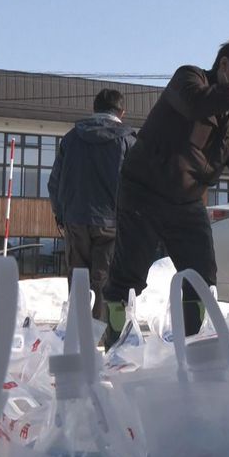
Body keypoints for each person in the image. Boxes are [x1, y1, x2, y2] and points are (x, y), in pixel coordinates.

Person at [101, 35, 229, 348]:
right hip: (145, 191)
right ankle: (116, 341)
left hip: (187, 201)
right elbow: (195, 105)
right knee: (127, 277)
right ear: (224, 65)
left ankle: (192, 343)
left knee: (201, 275)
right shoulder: (189, 79)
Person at [48, 89, 137, 322]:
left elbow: (54, 182)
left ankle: (79, 335)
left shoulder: (70, 138)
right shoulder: (128, 141)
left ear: (94, 109)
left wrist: (61, 213)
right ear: (122, 112)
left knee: (78, 279)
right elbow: (139, 185)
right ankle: (104, 336)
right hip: (112, 222)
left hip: (75, 219)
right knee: (105, 280)